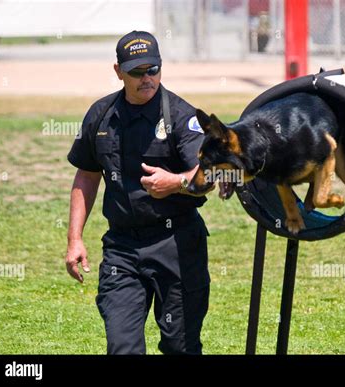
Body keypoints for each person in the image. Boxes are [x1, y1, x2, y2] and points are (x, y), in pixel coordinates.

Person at [65, 31, 213, 355]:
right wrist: (75, 238)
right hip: (122, 249)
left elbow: (208, 175)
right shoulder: (101, 115)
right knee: (122, 347)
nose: (147, 78)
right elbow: (87, 176)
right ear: (118, 71)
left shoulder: (182, 116)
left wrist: (175, 182)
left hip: (177, 246)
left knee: (181, 346)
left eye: (153, 69)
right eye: (136, 71)